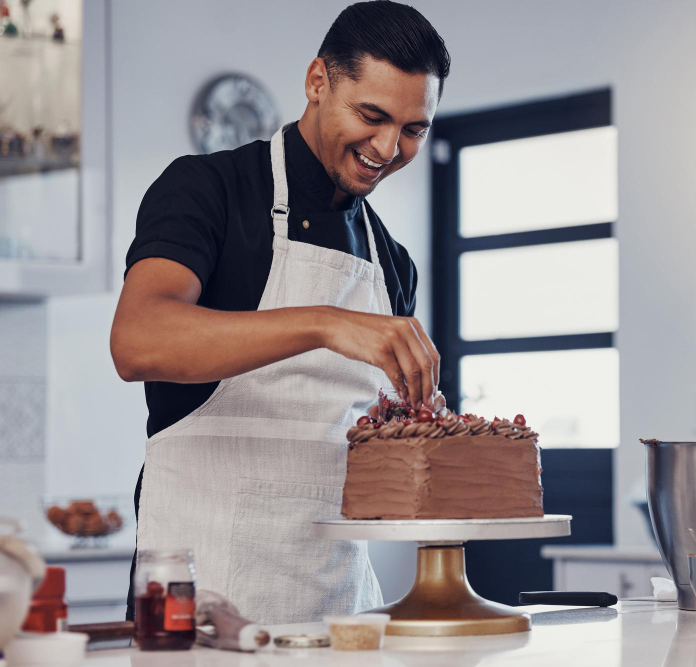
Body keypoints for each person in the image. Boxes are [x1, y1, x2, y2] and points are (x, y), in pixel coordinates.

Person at [110, 0, 449, 624]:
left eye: (412, 130)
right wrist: (324, 322)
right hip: (201, 596)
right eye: (371, 116)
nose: (387, 147)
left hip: (338, 605)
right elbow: (138, 340)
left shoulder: (392, 263)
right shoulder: (206, 189)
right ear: (317, 81)